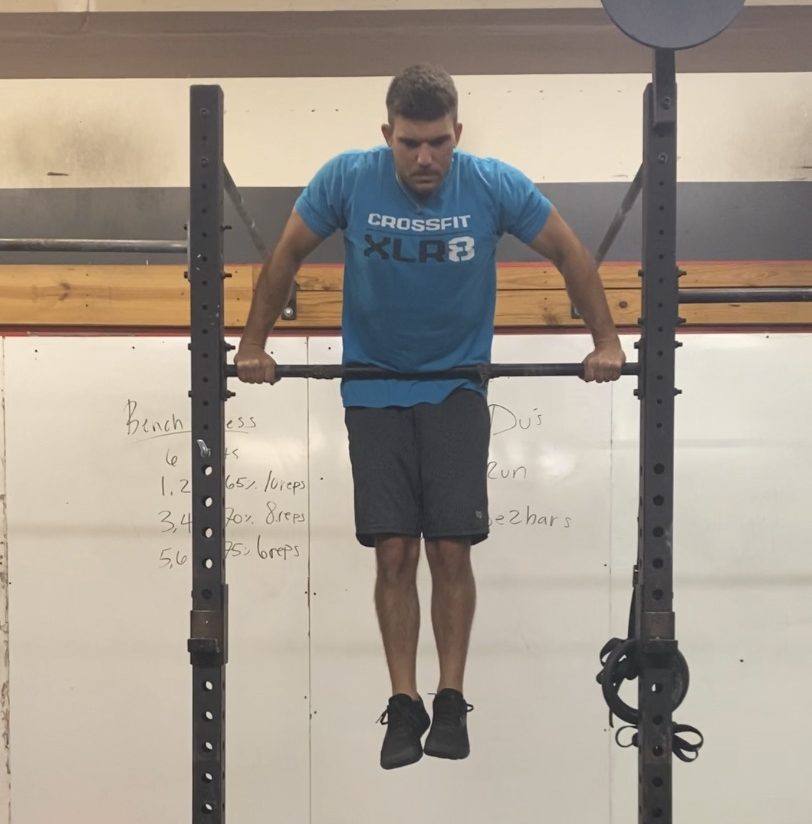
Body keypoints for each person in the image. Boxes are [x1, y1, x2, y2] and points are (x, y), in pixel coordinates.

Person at [235, 64, 626, 770]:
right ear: (387, 135)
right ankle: (404, 702)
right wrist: (253, 344)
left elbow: (569, 251)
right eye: (410, 143)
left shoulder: (493, 183)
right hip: (374, 388)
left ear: (458, 136)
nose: (424, 158)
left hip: (454, 388)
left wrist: (606, 340)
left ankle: (450, 698)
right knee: (393, 551)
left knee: (450, 548)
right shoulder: (347, 179)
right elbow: (287, 253)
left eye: (437, 143)